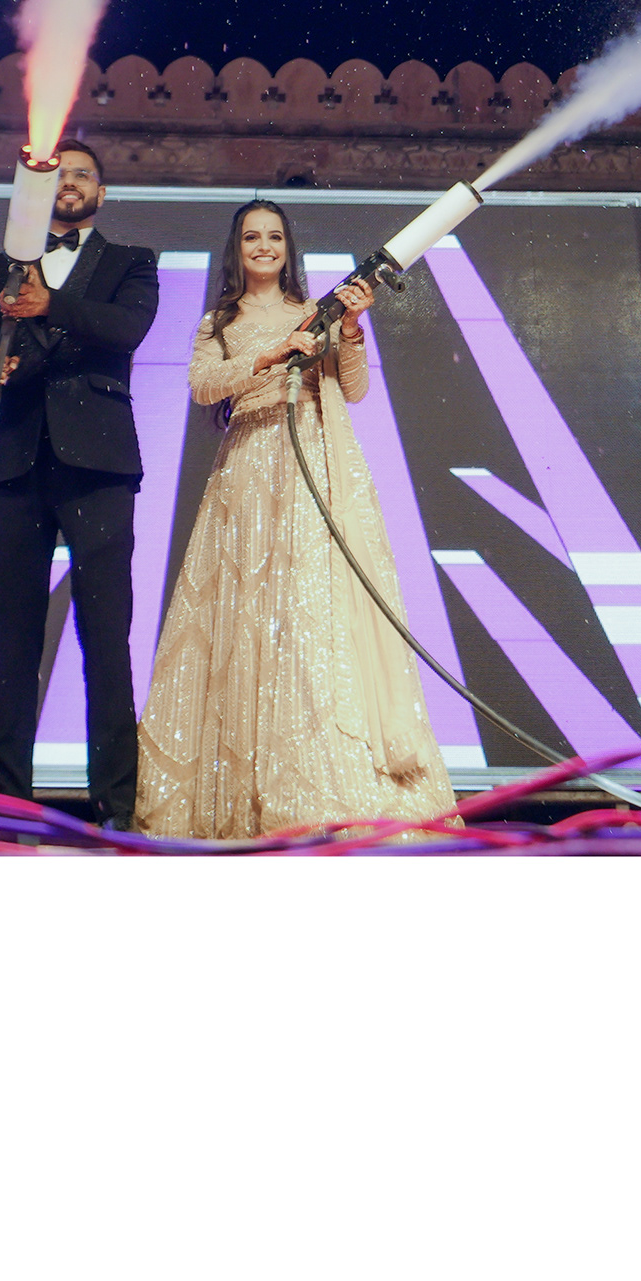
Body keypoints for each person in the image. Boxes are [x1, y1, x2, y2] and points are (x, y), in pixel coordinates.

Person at [134, 199, 458, 837]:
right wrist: (268, 355)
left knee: (311, 612)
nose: (264, 246)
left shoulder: (319, 311)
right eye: (252, 237)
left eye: (275, 237)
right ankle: (241, 798)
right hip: (247, 474)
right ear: (237, 249)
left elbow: (354, 389)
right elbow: (201, 386)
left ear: (288, 248)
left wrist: (353, 330)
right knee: (246, 616)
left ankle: (322, 789)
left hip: (312, 466)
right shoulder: (220, 321)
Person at [0, 139, 160, 827]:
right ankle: (7, 809)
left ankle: (116, 809)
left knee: (106, 639)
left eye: (83, 174)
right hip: (16, 467)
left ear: (102, 192)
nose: (69, 182)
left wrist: (50, 304)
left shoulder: (131, 262)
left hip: (98, 471)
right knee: (11, 644)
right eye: (59, 174)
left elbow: (127, 329)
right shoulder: (1, 267)